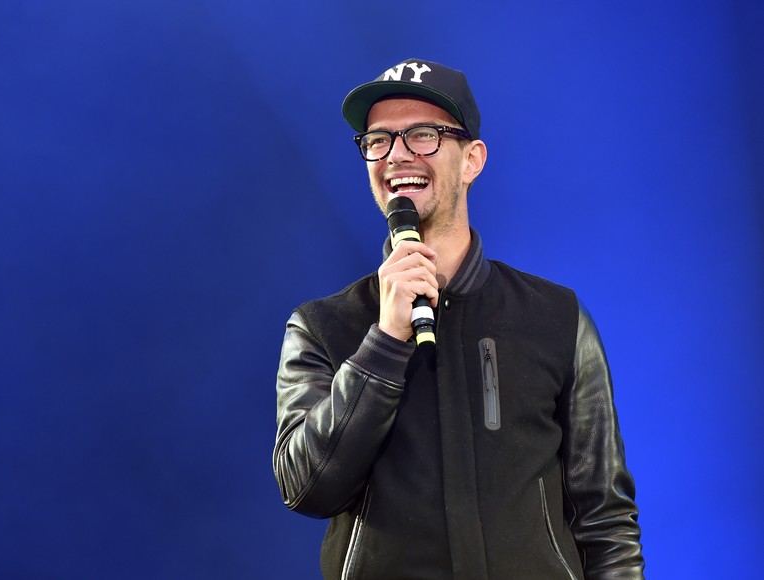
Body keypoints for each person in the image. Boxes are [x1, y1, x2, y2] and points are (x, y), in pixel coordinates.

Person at [272, 58, 644, 579]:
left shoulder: (555, 317)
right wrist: (385, 341)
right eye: (378, 140)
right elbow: (306, 488)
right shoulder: (322, 327)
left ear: (472, 160)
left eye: (423, 135)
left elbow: (606, 518)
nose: (397, 155)